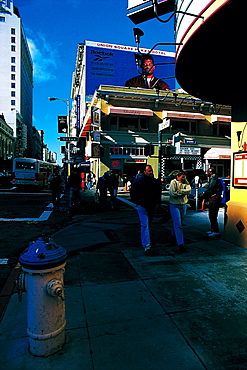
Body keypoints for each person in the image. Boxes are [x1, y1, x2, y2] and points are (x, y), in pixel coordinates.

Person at [130, 164, 161, 255]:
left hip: (149, 206)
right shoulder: (141, 182)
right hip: (144, 206)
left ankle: (146, 242)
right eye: (149, 171)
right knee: (145, 225)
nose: (151, 172)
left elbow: (158, 195)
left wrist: (157, 204)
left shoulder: (154, 182)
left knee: (147, 225)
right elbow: (133, 194)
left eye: (151, 171)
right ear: (144, 172)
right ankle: (147, 244)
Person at [169, 171, 191, 253]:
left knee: (179, 223)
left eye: (184, 177)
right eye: (182, 177)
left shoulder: (185, 182)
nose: (183, 178)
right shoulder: (173, 182)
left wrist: (180, 191)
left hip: (183, 204)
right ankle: (180, 244)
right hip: (174, 205)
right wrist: (183, 192)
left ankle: (174, 234)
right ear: (177, 177)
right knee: (178, 225)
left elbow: (189, 190)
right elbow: (172, 193)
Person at [199, 167, 222, 237]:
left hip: (214, 198)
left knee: (212, 214)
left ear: (211, 172)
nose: (207, 173)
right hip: (214, 198)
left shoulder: (214, 178)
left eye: (208, 172)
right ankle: (213, 229)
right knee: (212, 214)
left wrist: (204, 194)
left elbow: (211, 189)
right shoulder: (213, 178)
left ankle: (215, 230)